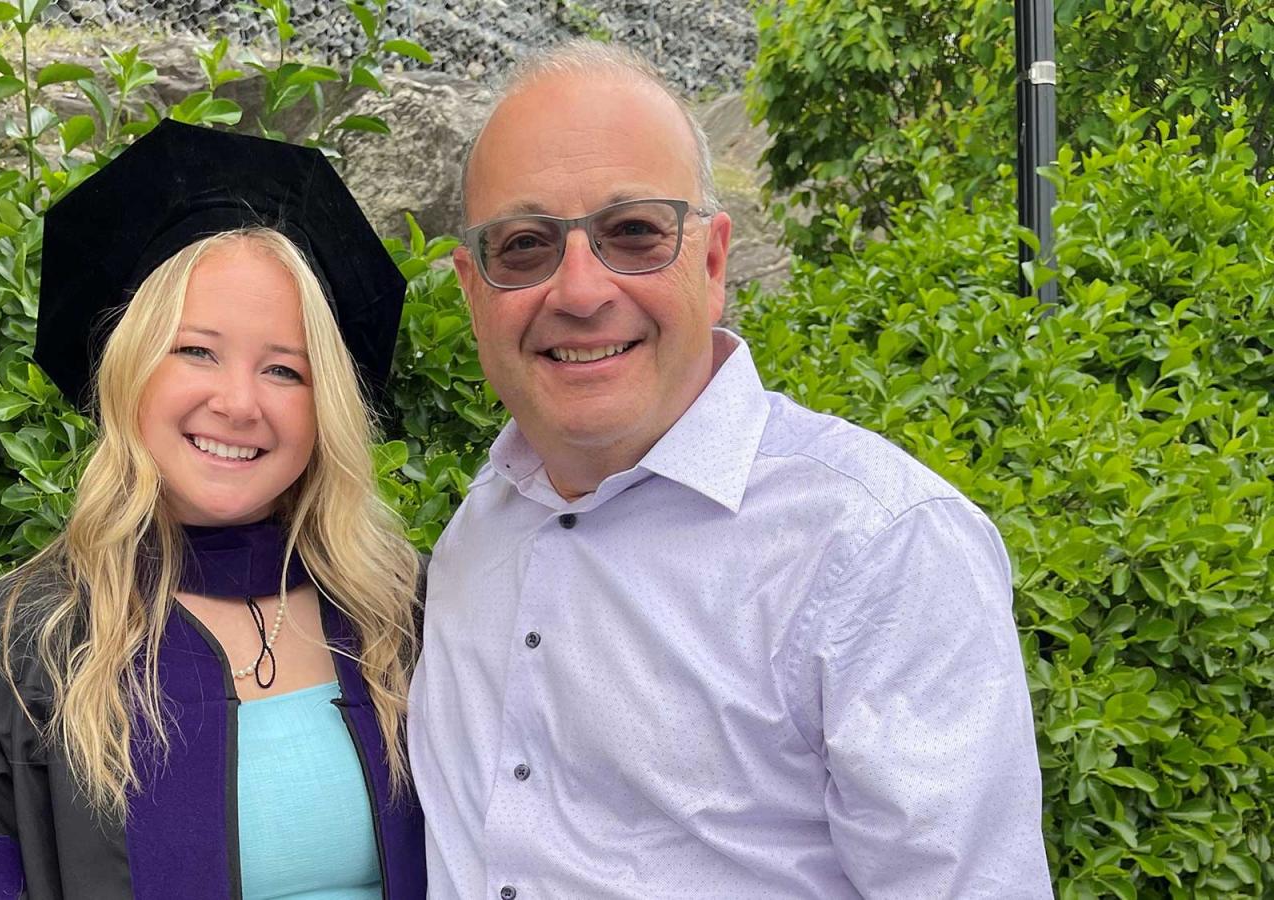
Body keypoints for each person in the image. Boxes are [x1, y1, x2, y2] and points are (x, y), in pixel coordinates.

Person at [407, 41, 1053, 898]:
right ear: (471, 289)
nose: (580, 289)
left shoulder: (880, 550)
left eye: (632, 232)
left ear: (712, 264)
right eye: (524, 246)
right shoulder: (475, 532)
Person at [0, 120, 427, 900]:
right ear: (128, 371)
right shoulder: (17, 641)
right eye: (196, 351)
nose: (239, 403)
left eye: (285, 370)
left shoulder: (401, 614)